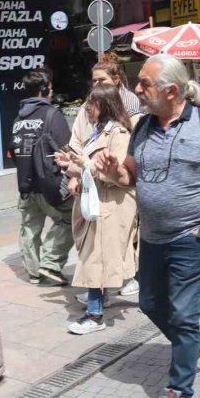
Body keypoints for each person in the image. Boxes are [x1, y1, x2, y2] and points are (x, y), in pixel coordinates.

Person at [93, 53, 200, 398]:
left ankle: (178, 393)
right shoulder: (141, 127)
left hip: (192, 237)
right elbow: (131, 178)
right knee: (149, 302)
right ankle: (190, 344)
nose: (137, 89)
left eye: (144, 84)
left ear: (171, 91)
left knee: (183, 315)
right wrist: (114, 173)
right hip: (152, 238)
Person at [57, 84, 138, 334]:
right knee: (98, 258)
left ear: (103, 106)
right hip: (98, 203)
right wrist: (68, 165)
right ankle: (99, 303)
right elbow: (89, 168)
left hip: (113, 205)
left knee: (97, 258)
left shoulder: (120, 132)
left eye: (90, 105)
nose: (87, 110)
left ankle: (95, 315)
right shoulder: (97, 131)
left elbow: (119, 174)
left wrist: (86, 164)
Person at [65, 56, 142, 299]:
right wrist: (72, 169)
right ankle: (105, 296)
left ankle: (97, 307)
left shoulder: (124, 123)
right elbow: (77, 145)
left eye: (102, 80)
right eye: (93, 80)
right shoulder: (91, 118)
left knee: (103, 254)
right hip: (93, 195)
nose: (95, 84)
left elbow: (119, 168)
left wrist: (87, 165)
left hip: (111, 200)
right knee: (98, 254)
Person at [10, 71, 75, 286]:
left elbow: (12, 152)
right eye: (51, 87)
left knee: (29, 227)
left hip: (25, 186)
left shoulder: (19, 118)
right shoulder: (51, 115)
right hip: (49, 186)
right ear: (45, 89)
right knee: (70, 218)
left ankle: (34, 272)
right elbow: (67, 151)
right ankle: (50, 263)